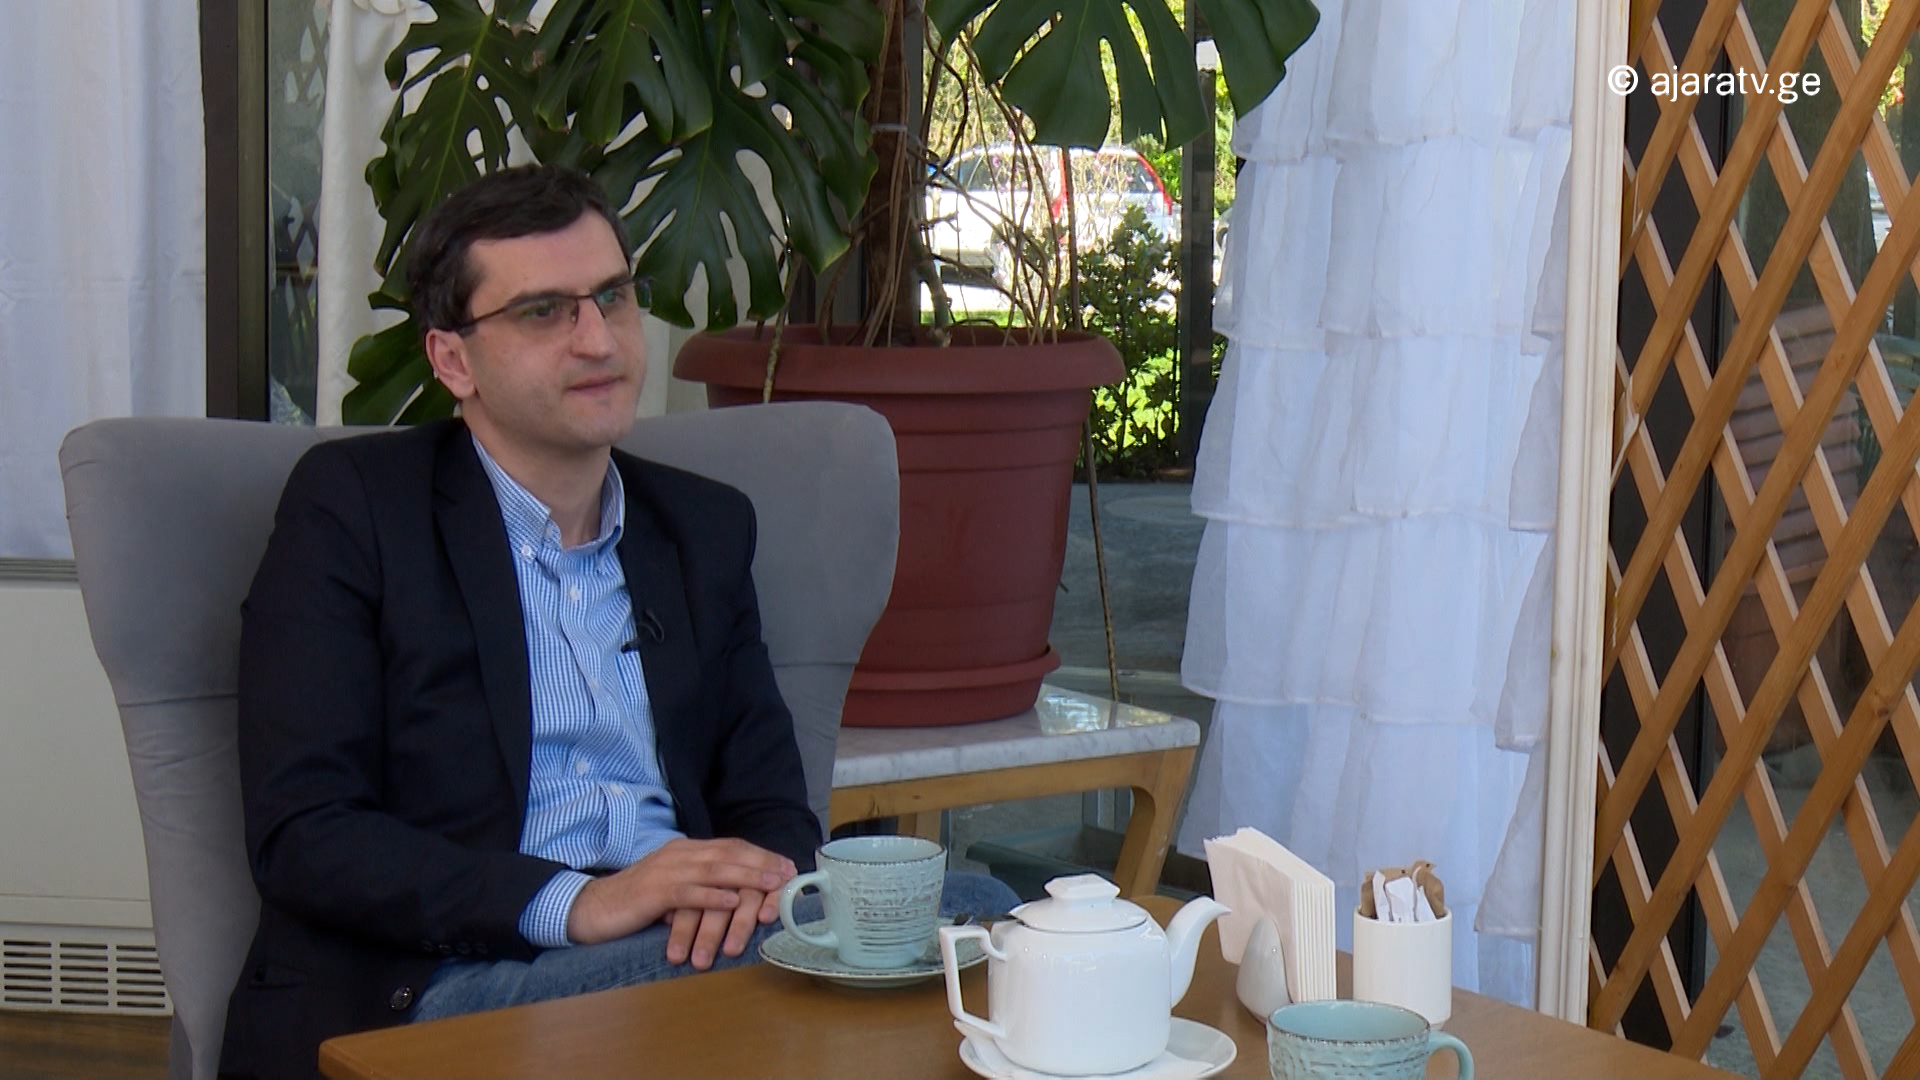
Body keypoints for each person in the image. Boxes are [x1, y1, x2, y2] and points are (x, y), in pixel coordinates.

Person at [220, 164, 1017, 1079]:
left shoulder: (700, 530)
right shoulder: (356, 510)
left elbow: (769, 803)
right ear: (453, 360)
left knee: (983, 911)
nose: (598, 339)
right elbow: (305, 834)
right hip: (448, 976)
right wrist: (578, 903)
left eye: (612, 297)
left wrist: (746, 892)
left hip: (688, 948)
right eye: (543, 312)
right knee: (930, 952)